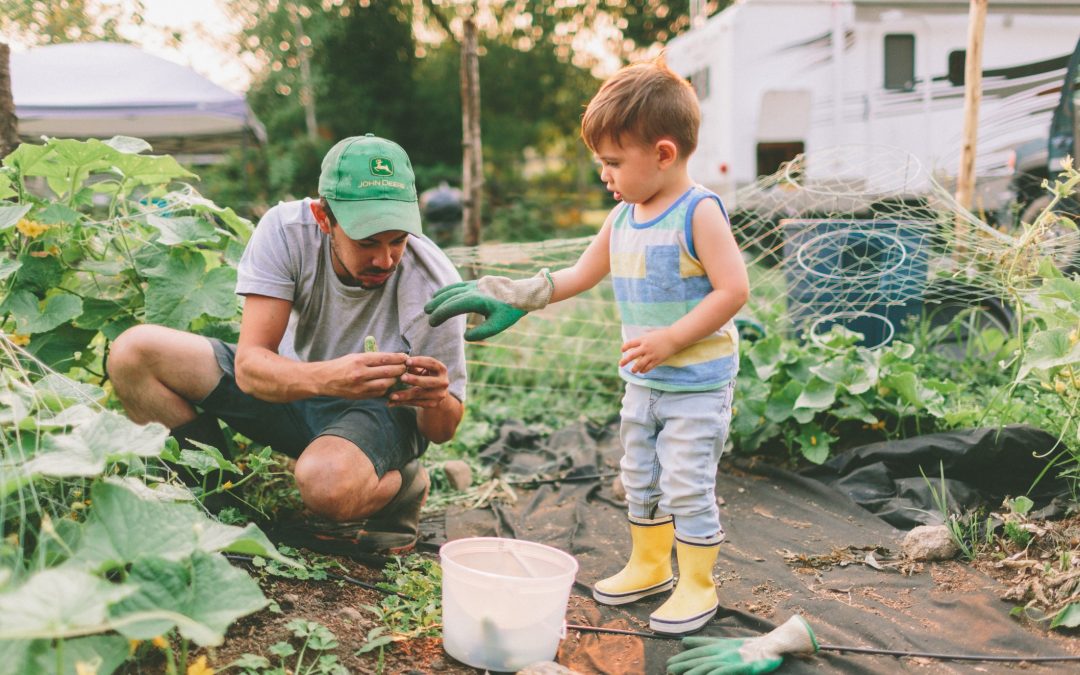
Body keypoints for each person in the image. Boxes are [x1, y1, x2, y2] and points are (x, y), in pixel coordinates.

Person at [425, 59, 749, 634]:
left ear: (664, 154)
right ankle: (651, 564)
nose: (605, 174)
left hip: (696, 385)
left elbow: (734, 290)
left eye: (613, 162)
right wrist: (520, 293)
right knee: (640, 473)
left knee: (686, 481)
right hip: (643, 384)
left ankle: (698, 581)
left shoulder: (699, 212)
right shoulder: (623, 216)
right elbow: (579, 274)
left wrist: (672, 337)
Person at [107, 134, 467, 557]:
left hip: (375, 414)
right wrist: (329, 378)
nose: (385, 259)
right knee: (134, 353)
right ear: (323, 218)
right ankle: (219, 502)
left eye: (397, 240)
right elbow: (250, 366)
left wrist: (436, 399)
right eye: (367, 241)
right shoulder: (285, 231)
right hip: (290, 386)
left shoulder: (436, 284)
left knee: (327, 486)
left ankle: (403, 487)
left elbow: (442, 432)